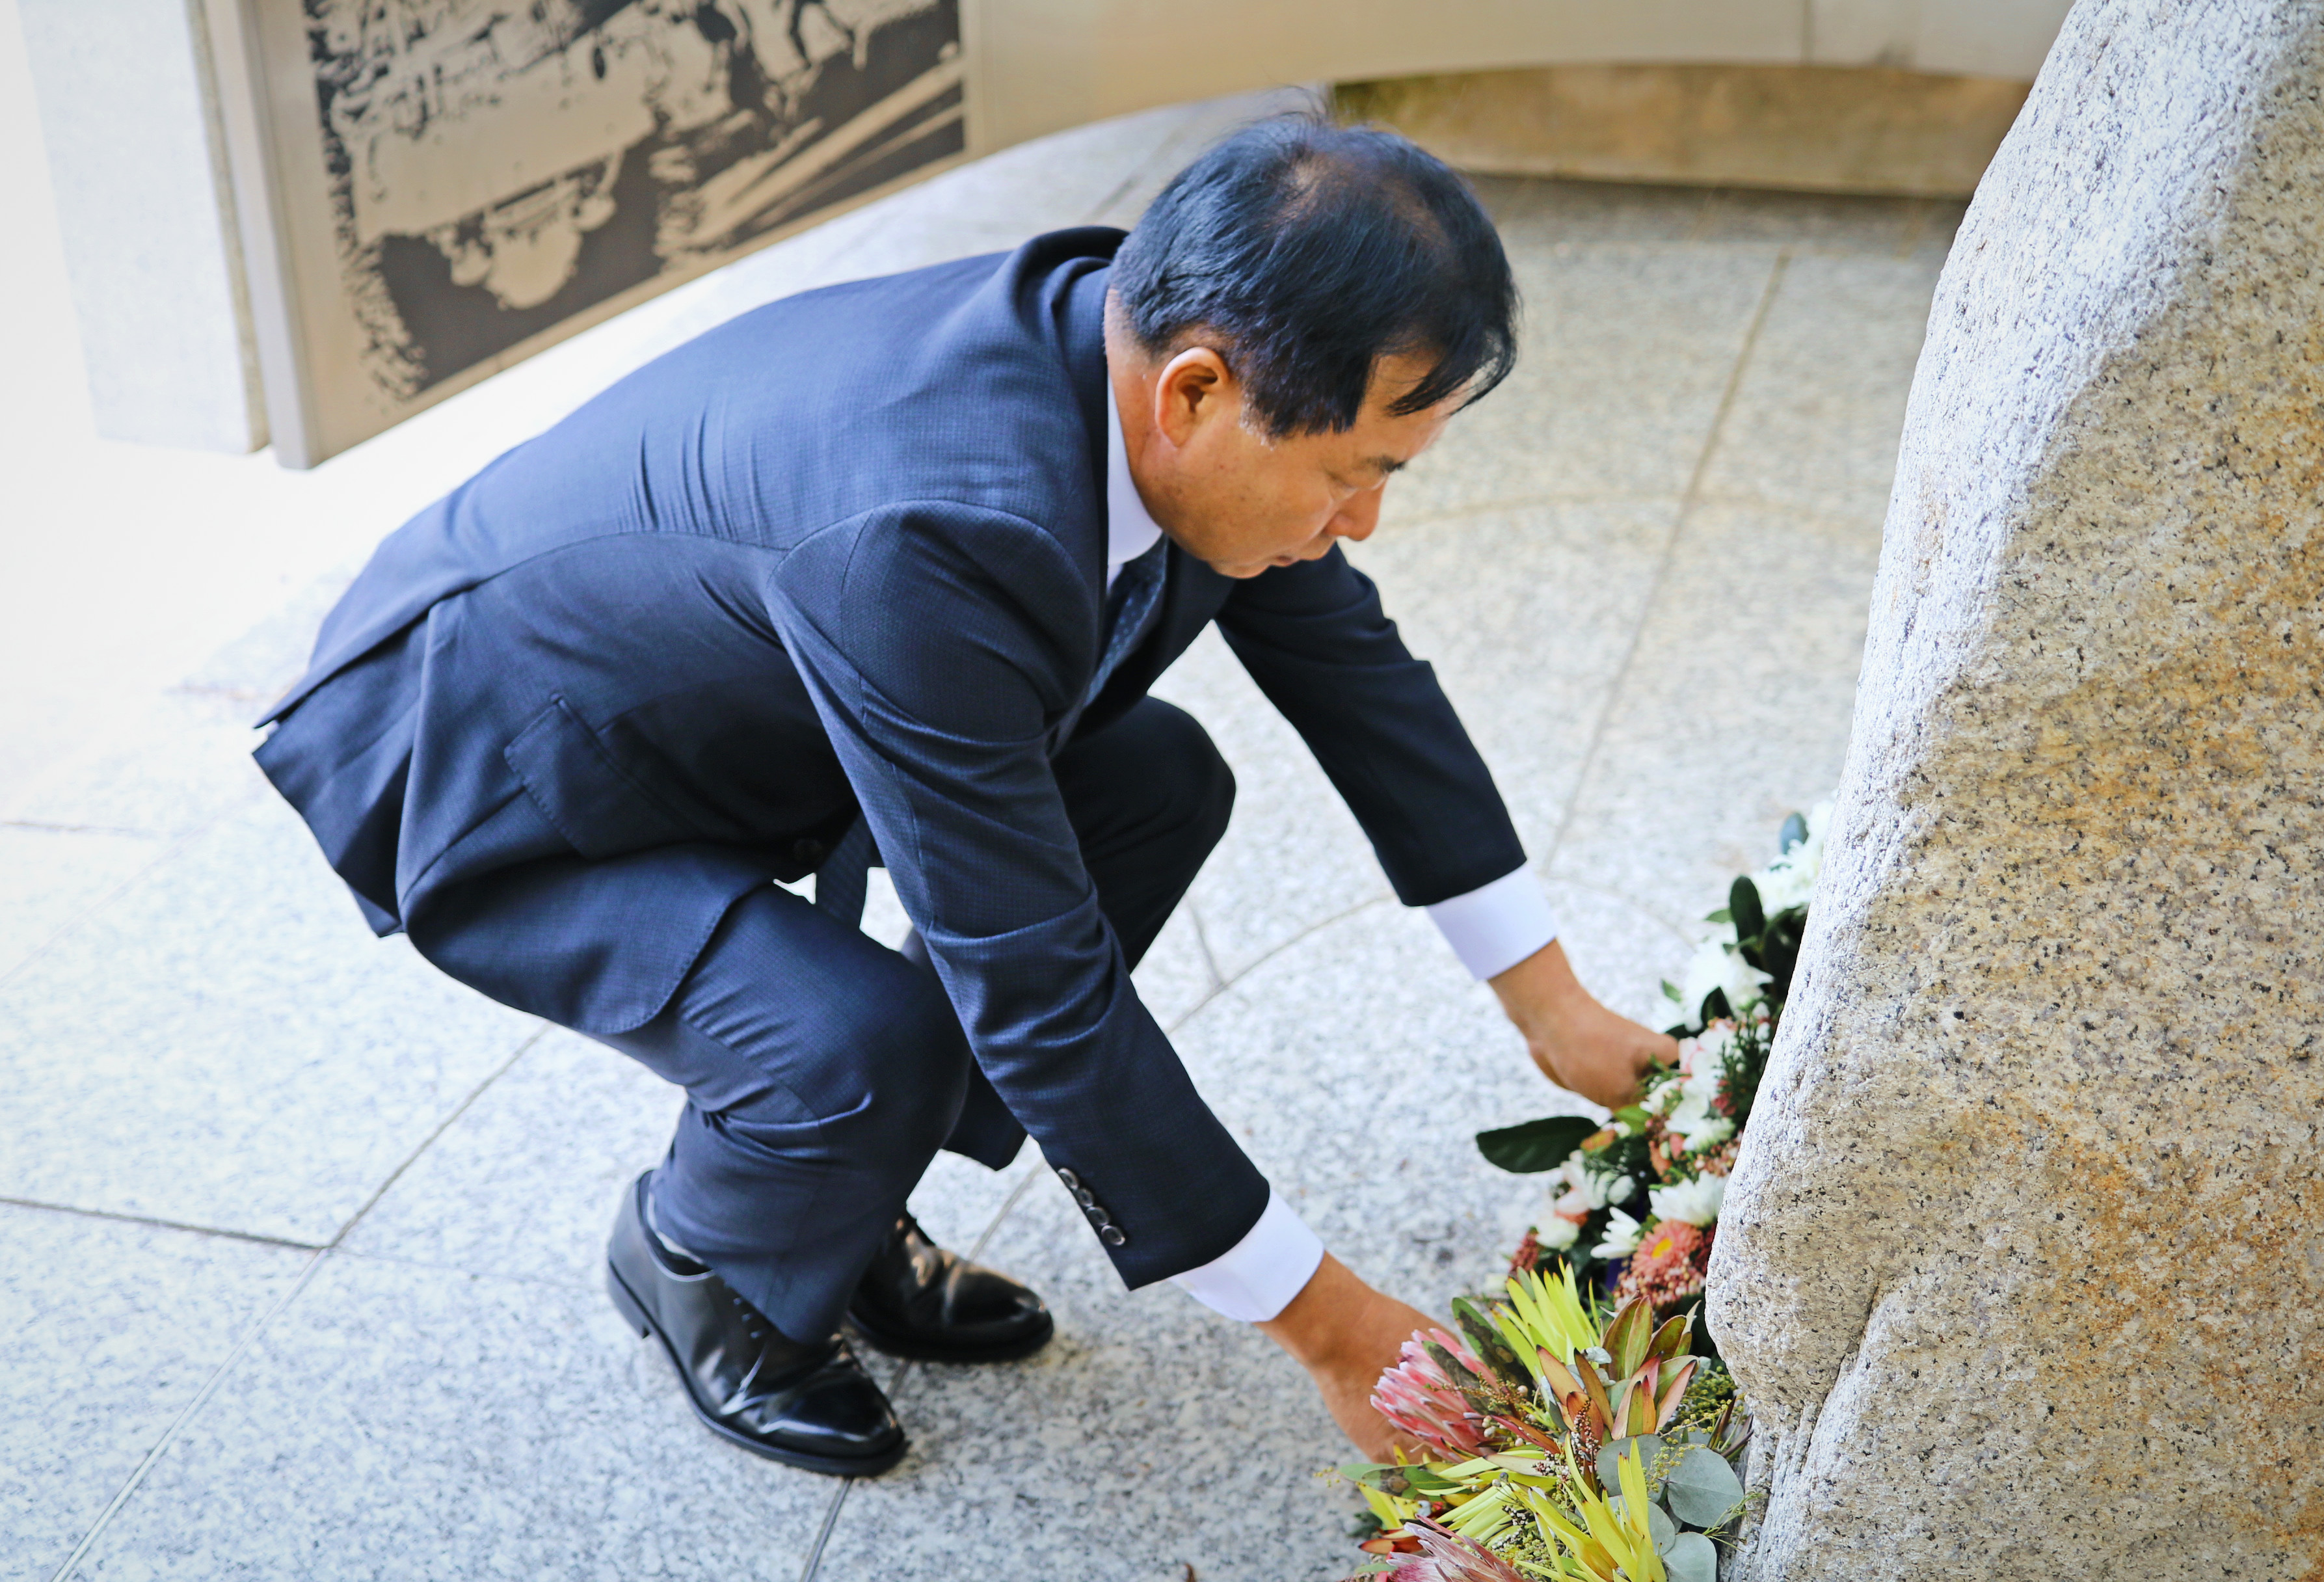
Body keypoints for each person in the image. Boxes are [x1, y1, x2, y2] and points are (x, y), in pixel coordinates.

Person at [254, 114, 1672, 1477]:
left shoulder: (1158, 343)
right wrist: (1343, 1337)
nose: (1364, 521)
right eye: (1355, 473)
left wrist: (1554, 1006)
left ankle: (838, 1196)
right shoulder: (937, 524)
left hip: (751, 696)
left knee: (1157, 783)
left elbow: (1359, 679)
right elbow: (1042, 987)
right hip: (500, 761)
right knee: (852, 1042)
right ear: (1196, 391)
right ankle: (703, 1260)